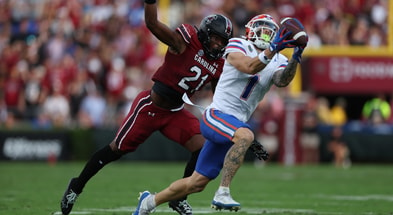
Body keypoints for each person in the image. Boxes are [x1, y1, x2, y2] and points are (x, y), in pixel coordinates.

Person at [60, 1, 233, 215]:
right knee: (116, 149)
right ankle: (76, 186)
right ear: (206, 33)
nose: (217, 44)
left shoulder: (218, 64)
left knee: (202, 148)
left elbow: (221, 99)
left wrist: (235, 128)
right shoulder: (185, 41)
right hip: (151, 107)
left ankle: (179, 198)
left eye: (222, 41)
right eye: (215, 38)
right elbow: (151, 23)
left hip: (175, 113)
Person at [132, 14, 307, 214]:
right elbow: (247, 66)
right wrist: (271, 49)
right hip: (217, 115)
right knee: (246, 136)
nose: (266, 36)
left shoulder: (278, 59)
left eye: (270, 33)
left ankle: (149, 201)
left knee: (196, 183)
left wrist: (296, 56)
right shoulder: (238, 44)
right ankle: (223, 192)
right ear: (251, 30)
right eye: (262, 31)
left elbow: (282, 80)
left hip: (234, 124)